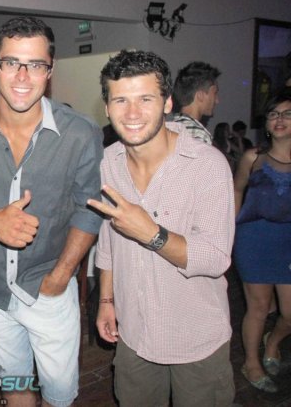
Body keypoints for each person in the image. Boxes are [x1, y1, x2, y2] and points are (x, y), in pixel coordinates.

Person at [0, 16, 103, 407]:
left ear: (50, 70)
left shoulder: (81, 132)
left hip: (49, 288)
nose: (22, 76)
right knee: (14, 385)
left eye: (35, 64)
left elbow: (89, 209)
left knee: (59, 395)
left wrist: (60, 276)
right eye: (11, 62)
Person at [89, 50, 235, 406]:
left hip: (195, 338)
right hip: (134, 333)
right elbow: (108, 240)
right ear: (107, 108)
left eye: (145, 99)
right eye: (120, 100)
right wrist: (106, 300)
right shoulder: (108, 162)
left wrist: (152, 234)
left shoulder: (207, 165)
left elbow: (215, 258)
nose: (132, 113)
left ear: (167, 102)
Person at [233, 88, 291, 393]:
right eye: (273, 114)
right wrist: (231, 230)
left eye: (287, 114)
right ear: (266, 122)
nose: (279, 119)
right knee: (258, 307)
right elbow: (237, 189)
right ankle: (251, 362)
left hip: (288, 240)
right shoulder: (252, 157)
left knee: (289, 314)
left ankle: (273, 342)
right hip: (254, 238)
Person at [171, 61, 221, 144]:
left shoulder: (170, 130)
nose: (217, 100)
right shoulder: (198, 136)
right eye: (215, 93)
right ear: (200, 95)